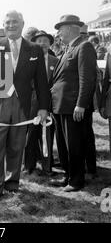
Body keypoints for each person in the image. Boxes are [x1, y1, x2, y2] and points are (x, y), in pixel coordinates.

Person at [0, 10, 50, 203]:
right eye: (7, 22)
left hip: (23, 106)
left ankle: (12, 184)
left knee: (17, 146)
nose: (10, 25)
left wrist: (43, 108)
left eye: (14, 22)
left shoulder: (34, 50)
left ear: (23, 24)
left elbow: (41, 82)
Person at [50, 15, 97, 192]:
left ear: (69, 28)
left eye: (60, 29)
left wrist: (81, 104)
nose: (58, 33)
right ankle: (68, 175)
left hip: (73, 107)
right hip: (61, 105)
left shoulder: (84, 47)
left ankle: (76, 180)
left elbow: (87, 79)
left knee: (75, 145)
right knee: (63, 145)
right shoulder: (68, 48)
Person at [24, 31, 58, 175]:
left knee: (48, 134)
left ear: (50, 44)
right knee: (30, 135)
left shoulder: (55, 61)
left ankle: (47, 166)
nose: (42, 43)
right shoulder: (28, 60)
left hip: (51, 103)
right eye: (39, 41)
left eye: (45, 40)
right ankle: (28, 166)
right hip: (32, 102)